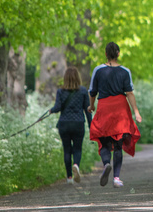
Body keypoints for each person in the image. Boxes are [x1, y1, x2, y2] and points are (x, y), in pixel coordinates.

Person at [88, 42, 142, 188]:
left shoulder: (98, 70)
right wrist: (136, 112)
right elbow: (129, 93)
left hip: (105, 108)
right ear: (118, 53)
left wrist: (91, 106)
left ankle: (106, 164)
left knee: (104, 140)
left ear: (106, 54)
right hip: (120, 109)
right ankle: (116, 178)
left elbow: (92, 91)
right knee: (118, 144)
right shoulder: (125, 71)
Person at [50, 66, 92, 184]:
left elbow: (57, 108)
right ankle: (76, 165)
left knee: (67, 150)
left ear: (65, 78)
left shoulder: (60, 91)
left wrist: (51, 110)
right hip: (78, 123)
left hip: (64, 124)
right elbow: (87, 110)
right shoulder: (83, 91)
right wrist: (91, 126)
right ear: (77, 78)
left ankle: (69, 177)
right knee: (77, 148)